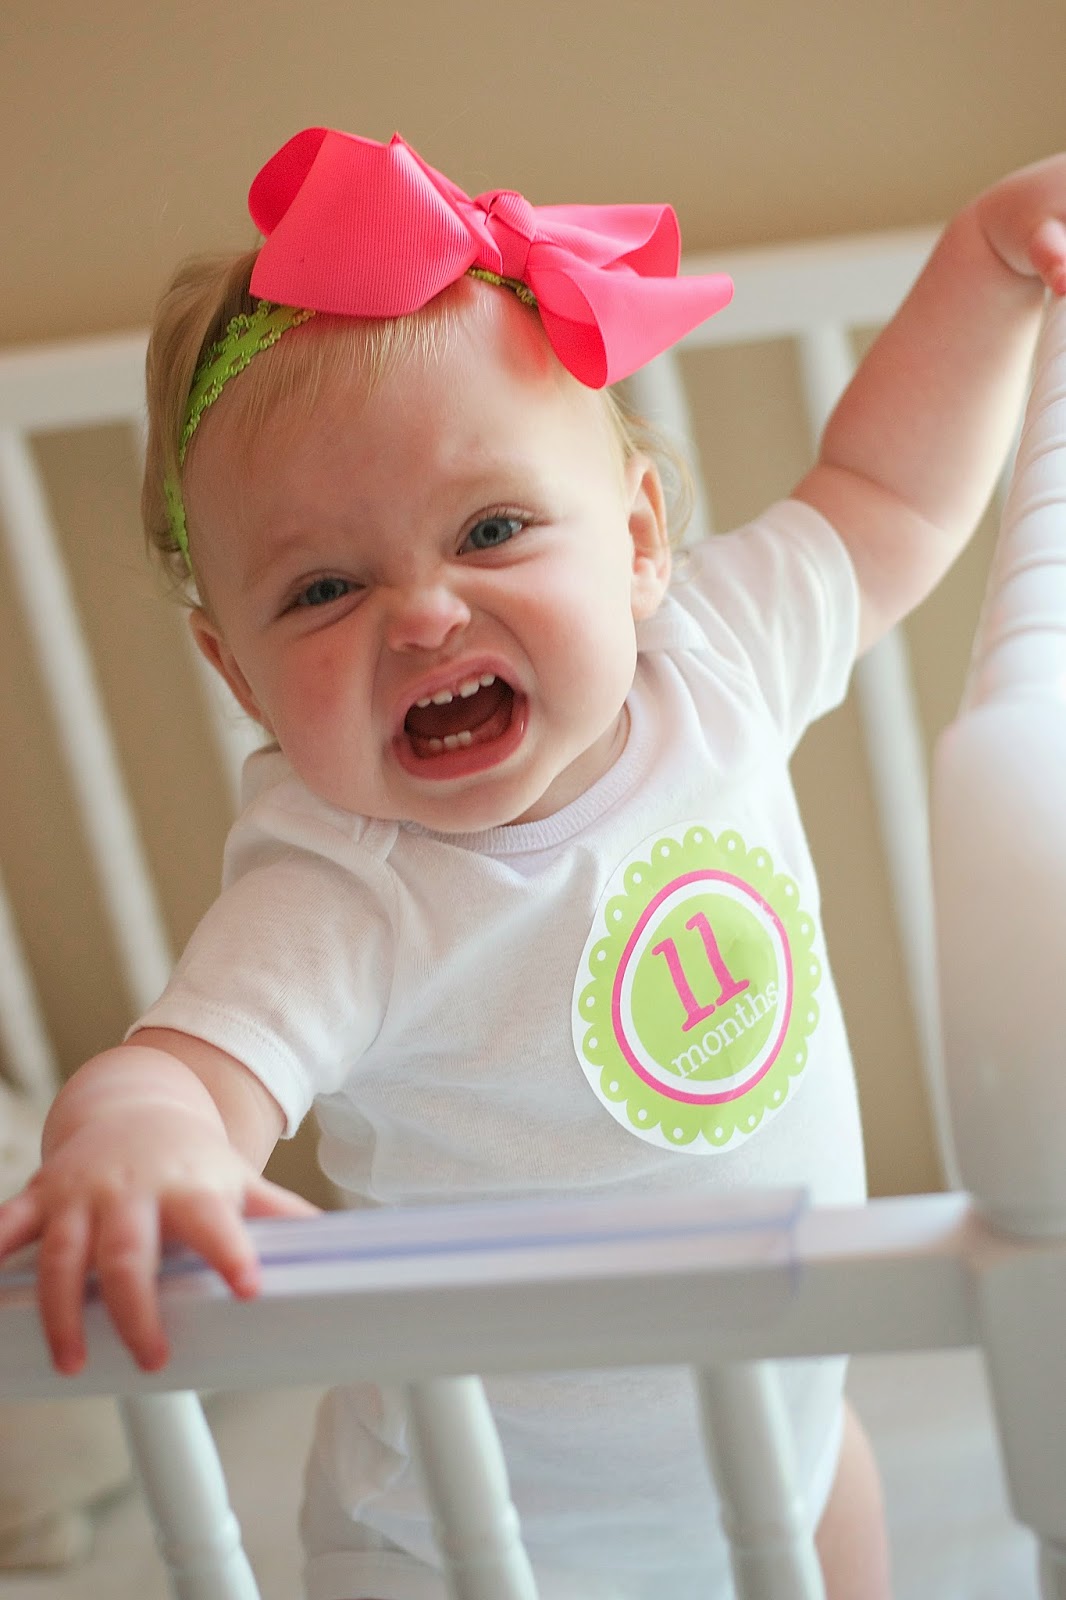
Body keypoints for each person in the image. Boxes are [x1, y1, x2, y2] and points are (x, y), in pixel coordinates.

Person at [3, 125, 1066, 1600]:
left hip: (790, 1447)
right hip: (459, 1533)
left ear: (636, 543)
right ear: (236, 675)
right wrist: (132, 1142)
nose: (423, 615)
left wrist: (990, 261)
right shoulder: (337, 886)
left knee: (836, 1499)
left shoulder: (716, 658)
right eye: (323, 588)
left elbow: (885, 489)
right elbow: (188, 1071)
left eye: (492, 528)